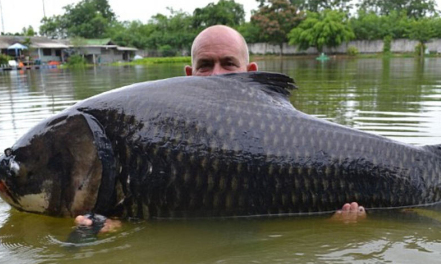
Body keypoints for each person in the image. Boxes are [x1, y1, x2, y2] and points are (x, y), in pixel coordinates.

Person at [74, 25, 365, 235]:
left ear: (250, 71)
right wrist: (113, 227)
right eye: (205, 65)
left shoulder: (295, 136)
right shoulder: (163, 130)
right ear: (188, 75)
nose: (216, 75)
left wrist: (335, 227)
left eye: (228, 64)